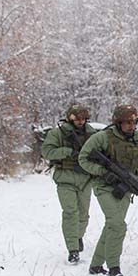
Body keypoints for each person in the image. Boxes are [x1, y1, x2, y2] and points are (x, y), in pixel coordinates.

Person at [78, 104, 138, 276]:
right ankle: (114, 267)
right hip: (104, 186)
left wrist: (137, 182)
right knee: (118, 225)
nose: (132, 126)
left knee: (112, 225)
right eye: (128, 123)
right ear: (118, 123)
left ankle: (95, 265)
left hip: (125, 189)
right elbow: (83, 159)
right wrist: (103, 172)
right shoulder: (102, 137)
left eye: (135, 123)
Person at [41, 104, 96, 264]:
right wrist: (67, 152)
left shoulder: (91, 133)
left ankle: (78, 236)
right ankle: (73, 249)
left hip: (85, 179)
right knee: (70, 213)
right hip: (65, 178)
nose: (81, 121)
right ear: (70, 118)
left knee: (83, 215)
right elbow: (47, 152)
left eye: (83, 119)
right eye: (78, 118)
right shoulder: (57, 133)